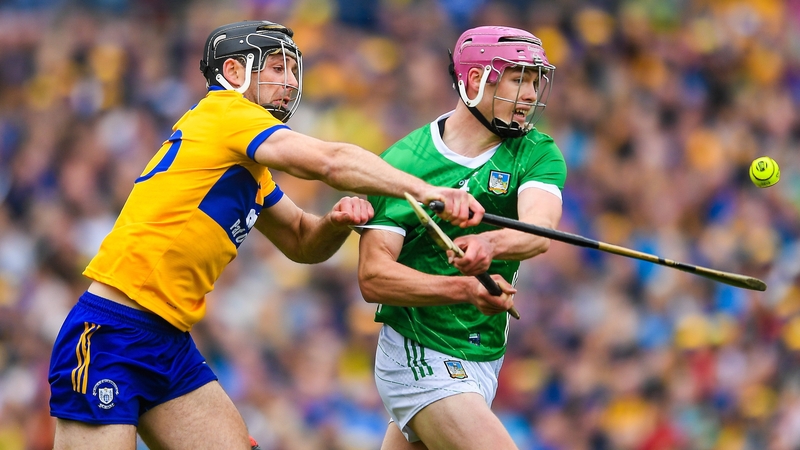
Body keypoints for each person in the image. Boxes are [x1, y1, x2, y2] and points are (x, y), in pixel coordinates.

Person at [47, 20, 485, 450]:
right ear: (233, 73)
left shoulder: (249, 168)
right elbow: (330, 161)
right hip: (109, 332)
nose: (290, 81)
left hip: (168, 342)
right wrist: (425, 189)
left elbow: (299, 239)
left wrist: (334, 225)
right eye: (276, 67)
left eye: (293, 70)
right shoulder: (226, 112)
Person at [357, 26, 567, 450]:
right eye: (518, 79)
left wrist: (489, 244)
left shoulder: (538, 152)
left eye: (535, 80)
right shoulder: (402, 163)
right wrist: (463, 289)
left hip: (484, 354)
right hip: (419, 350)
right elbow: (373, 277)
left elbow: (540, 229)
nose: (530, 93)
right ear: (475, 80)